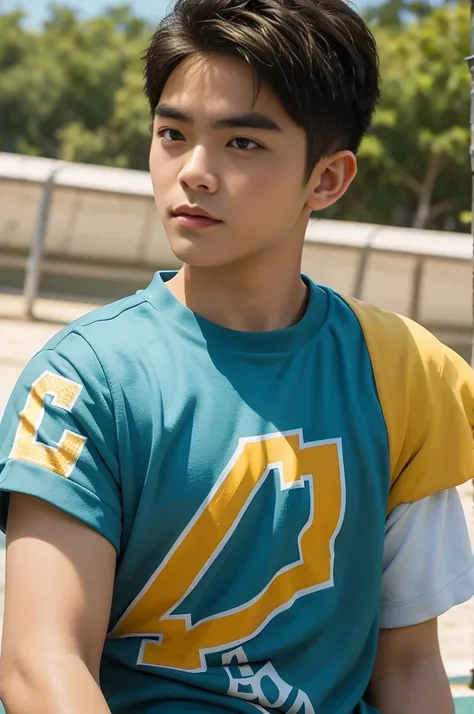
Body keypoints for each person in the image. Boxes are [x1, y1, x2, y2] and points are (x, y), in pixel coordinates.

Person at [0, 0, 473, 712]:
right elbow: (41, 663)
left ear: (328, 180)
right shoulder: (82, 380)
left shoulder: (407, 373)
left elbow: (407, 667)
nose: (194, 171)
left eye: (242, 143)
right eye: (172, 133)